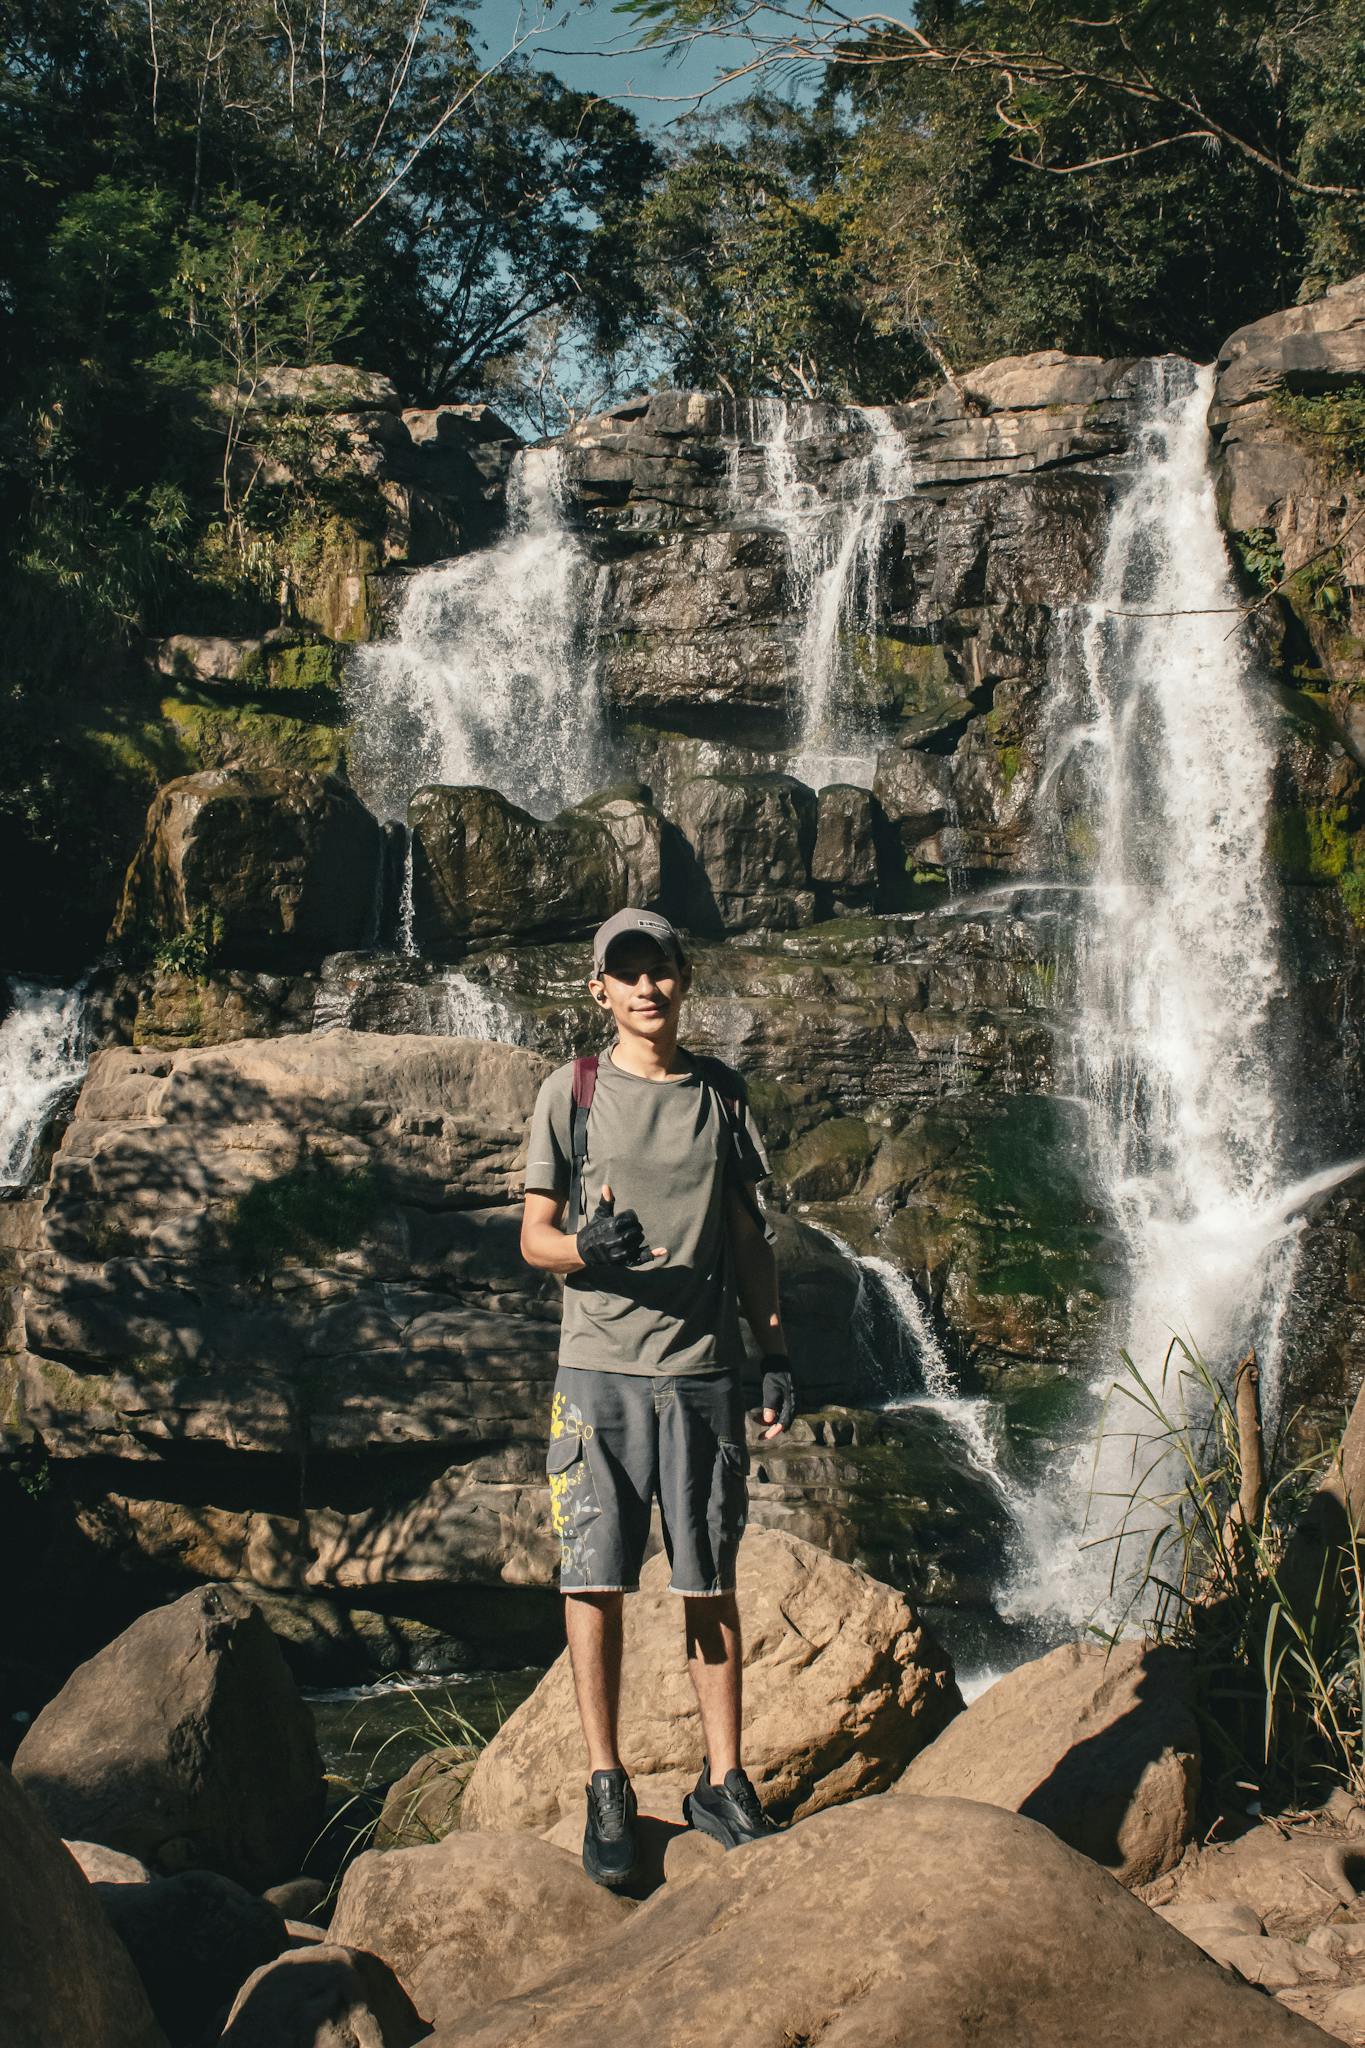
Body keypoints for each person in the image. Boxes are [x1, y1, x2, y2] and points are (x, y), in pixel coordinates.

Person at [520, 906, 796, 1889]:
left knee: (708, 1577)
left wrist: (771, 1350)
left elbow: (749, 1236)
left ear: (684, 980)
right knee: (593, 1579)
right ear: (600, 988)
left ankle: (723, 1779)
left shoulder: (721, 1097)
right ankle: (607, 1777)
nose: (645, 986)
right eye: (624, 972)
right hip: (596, 1376)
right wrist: (584, 1250)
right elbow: (535, 1237)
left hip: (702, 1376)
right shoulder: (575, 1091)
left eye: (660, 969)